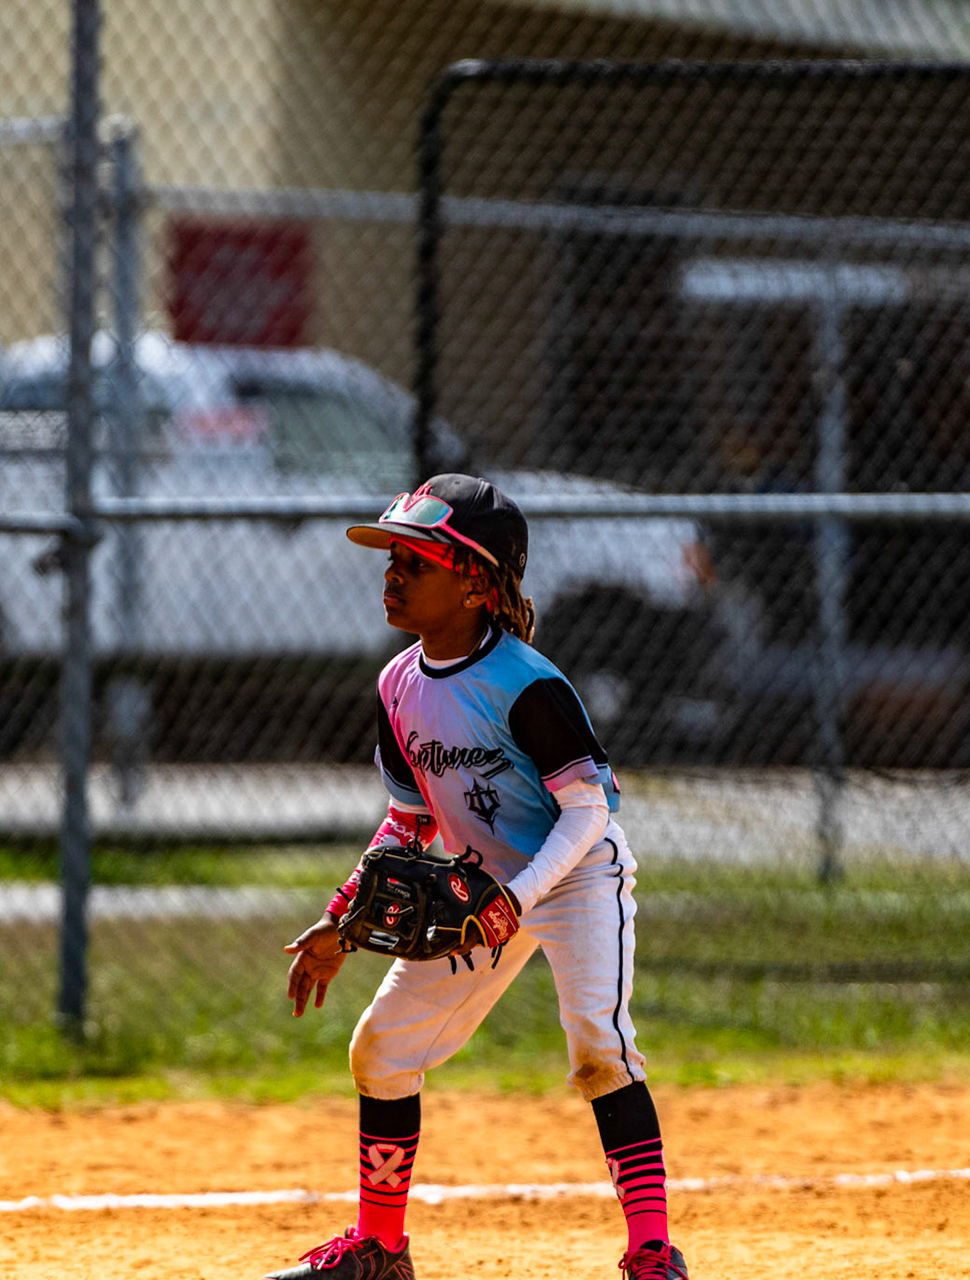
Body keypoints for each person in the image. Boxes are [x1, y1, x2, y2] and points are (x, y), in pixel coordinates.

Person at [264, 474, 688, 1280]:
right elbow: (407, 823)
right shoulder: (398, 686)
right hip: (472, 896)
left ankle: (652, 1252)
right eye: (393, 557)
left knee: (602, 1049)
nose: (392, 574)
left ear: (476, 583)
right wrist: (341, 921)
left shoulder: (526, 683)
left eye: (416, 561)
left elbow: (588, 811)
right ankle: (380, 1252)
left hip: (572, 880)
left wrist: (517, 899)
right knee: (382, 1051)